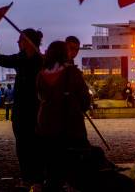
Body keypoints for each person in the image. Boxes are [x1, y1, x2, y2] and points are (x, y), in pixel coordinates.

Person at [0, 27, 44, 187]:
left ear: (28, 42)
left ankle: (38, 178)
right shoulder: (21, 59)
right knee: (23, 146)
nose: (17, 42)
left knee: (37, 146)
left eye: (20, 40)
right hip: (21, 111)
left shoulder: (42, 61)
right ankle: (28, 178)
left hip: (37, 110)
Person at [37, 41, 91, 190]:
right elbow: (85, 99)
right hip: (70, 125)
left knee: (53, 166)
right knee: (74, 165)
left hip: (47, 125)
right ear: (64, 53)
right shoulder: (72, 73)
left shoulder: (41, 75)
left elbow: (41, 97)